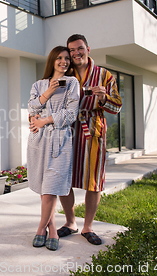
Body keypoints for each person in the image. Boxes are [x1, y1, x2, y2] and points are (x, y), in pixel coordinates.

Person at [57, 34, 122, 245]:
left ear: (88, 49)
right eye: (72, 50)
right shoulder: (65, 73)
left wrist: (103, 98)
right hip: (67, 132)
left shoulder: (105, 75)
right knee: (64, 180)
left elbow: (117, 107)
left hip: (92, 132)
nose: (76, 53)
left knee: (93, 182)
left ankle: (88, 227)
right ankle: (70, 223)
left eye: (80, 49)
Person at [27, 46, 80, 251]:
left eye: (67, 58)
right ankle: (54, 231)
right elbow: (32, 108)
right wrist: (49, 91)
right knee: (44, 189)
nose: (64, 62)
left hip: (60, 141)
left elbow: (70, 114)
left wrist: (44, 120)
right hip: (38, 141)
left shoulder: (72, 83)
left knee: (51, 189)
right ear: (52, 60)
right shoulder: (39, 84)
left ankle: (41, 228)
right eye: (59, 58)